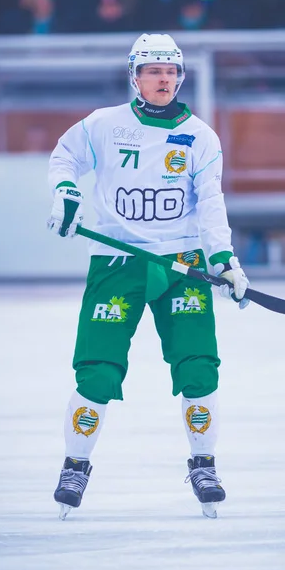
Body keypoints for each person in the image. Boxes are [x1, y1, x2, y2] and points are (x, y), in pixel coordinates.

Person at [47, 33, 250, 520]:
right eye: (153, 70)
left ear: (180, 76)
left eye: (171, 71)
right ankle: (76, 465)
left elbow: (211, 202)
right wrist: (65, 194)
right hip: (117, 265)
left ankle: (204, 464)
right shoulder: (104, 124)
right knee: (97, 370)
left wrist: (224, 258)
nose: (164, 79)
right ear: (134, 76)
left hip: (183, 265)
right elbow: (64, 157)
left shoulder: (201, 135)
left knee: (199, 366)